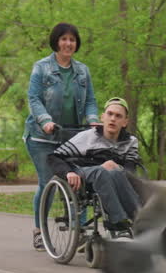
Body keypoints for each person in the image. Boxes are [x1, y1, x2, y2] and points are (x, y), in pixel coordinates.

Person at [24, 22, 99, 250]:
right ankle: (39, 230)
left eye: (72, 40)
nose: (68, 43)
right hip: (42, 138)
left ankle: (79, 230)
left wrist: (93, 118)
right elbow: (34, 98)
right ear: (56, 41)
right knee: (47, 182)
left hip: (73, 134)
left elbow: (90, 101)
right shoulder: (41, 67)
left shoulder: (82, 71)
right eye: (64, 39)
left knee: (79, 179)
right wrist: (45, 121)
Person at [47, 97, 142, 235]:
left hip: (115, 180)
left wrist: (116, 167)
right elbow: (53, 157)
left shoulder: (131, 142)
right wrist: (68, 172)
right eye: (109, 114)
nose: (113, 119)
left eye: (118, 116)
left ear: (125, 122)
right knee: (101, 172)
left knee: (116, 173)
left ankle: (140, 218)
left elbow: (130, 170)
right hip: (84, 174)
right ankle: (117, 222)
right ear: (102, 117)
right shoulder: (86, 137)